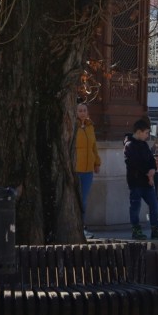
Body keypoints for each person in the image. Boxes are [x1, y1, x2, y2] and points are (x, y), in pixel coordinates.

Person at [123, 119, 158, 240]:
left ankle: (155, 228)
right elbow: (133, 163)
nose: (147, 136)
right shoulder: (129, 145)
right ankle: (136, 229)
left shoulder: (144, 145)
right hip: (136, 181)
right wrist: (148, 173)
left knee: (154, 205)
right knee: (135, 206)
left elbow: (151, 159)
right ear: (139, 132)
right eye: (146, 133)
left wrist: (152, 169)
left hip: (147, 181)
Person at [74, 102, 101, 238]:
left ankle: (82, 227)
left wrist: (97, 162)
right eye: (80, 110)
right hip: (75, 169)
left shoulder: (90, 127)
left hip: (88, 170)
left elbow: (94, 146)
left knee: (84, 200)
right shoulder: (73, 126)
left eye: (84, 110)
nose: (82, 113)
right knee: (75, 199)